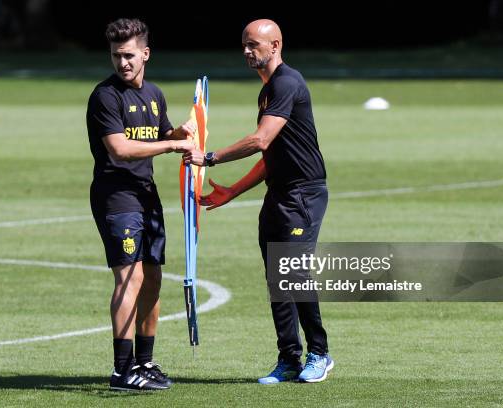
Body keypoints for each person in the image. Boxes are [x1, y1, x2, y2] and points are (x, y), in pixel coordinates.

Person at [183, 19, 333, 384]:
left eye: (255, 45)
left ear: (276, 45)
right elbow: (273, 157)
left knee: (293, 271)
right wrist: (233, 190)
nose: (248, 51)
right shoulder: (268, 90)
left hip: (304, 194)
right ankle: (288, 360)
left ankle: (320, 353)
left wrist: (211, 157)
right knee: (277, 278)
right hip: (279, 194)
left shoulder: (286, 83)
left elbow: (262, 139)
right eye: (245, 45)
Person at [86, 18, 195, 391]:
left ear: (145, 54)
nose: (122, 62)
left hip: (147, 196)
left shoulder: (153, 94)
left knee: (152, 279)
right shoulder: (105, 96)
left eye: (129, 55)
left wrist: (181, 133)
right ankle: (122, 370)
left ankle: (145, 363)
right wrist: (171, 145)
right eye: (116, 55)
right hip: (116, 198)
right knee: (128, 277)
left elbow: (161, 132)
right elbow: (120, 148)